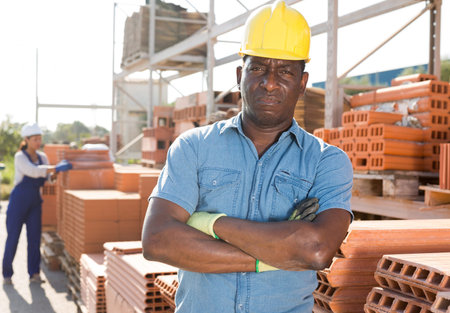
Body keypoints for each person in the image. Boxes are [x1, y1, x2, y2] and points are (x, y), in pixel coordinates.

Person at [142, 1, 353, 312]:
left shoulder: (327, 162)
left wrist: (211, 223)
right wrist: (277, 254)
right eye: (258, 68)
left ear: (303, 83)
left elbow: (318, 250)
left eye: (284, 71)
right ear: (240, 75)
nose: (269, 82)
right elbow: (158, 240)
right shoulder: (194, 147)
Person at [2, 123, 72, 285]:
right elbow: (33, 172)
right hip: (18, 202)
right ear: (26, 140)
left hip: (34, 203)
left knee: (34, 239)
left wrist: (55, 174)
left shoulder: (43, 158)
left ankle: (34, 273)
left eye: (40, 139)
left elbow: (46, 178)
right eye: (35, 139)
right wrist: (53, 167)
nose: (38, 142)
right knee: (13, 238)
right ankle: (7, 274)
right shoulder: (19, 157)